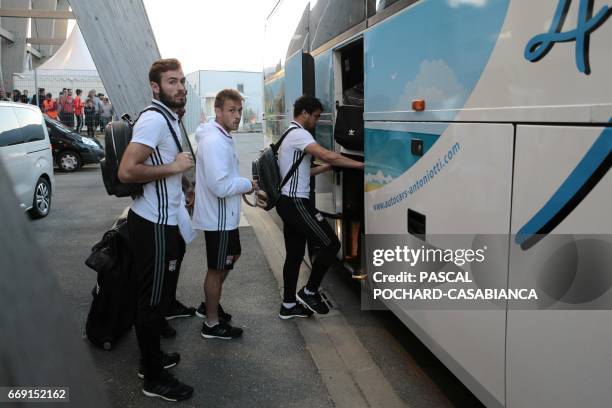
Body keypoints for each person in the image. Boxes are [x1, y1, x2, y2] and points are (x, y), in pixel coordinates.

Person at [117, 58, 194, 401]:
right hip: (153, 223)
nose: (180, 87)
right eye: (172, 82)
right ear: (155, 86)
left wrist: (183, 182)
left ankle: (152, 359)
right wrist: (173, 167)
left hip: (163, 220)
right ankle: (152, 377)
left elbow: (168, 165)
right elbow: (127, 171)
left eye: (181, 81)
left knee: (156, 297)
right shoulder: (153, 120)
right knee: (150, 302)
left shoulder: (169, 119)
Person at [276, 95, 364, 319]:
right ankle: (309, 291)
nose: (315, 121)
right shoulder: (299, 134)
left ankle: (288, 306)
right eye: (315, 117)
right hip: (296, 202)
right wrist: (362, 165)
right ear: (304, 113)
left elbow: (302, 171)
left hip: (288, 202)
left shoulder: (288, 134)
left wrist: (326, 168)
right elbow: (326, 154)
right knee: (331, 243)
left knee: (295, 256)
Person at [192, 89, 256, 339]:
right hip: (218, 218)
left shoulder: (221, 135)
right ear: (217, 111)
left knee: (232, 255)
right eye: (232, 110)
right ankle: (211, 323)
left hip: (225, 216)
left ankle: (209, 303)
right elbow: (220, 186)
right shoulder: (215, 141)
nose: (237, 115)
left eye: (239, 110)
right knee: (216, 270)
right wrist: (247, 184)